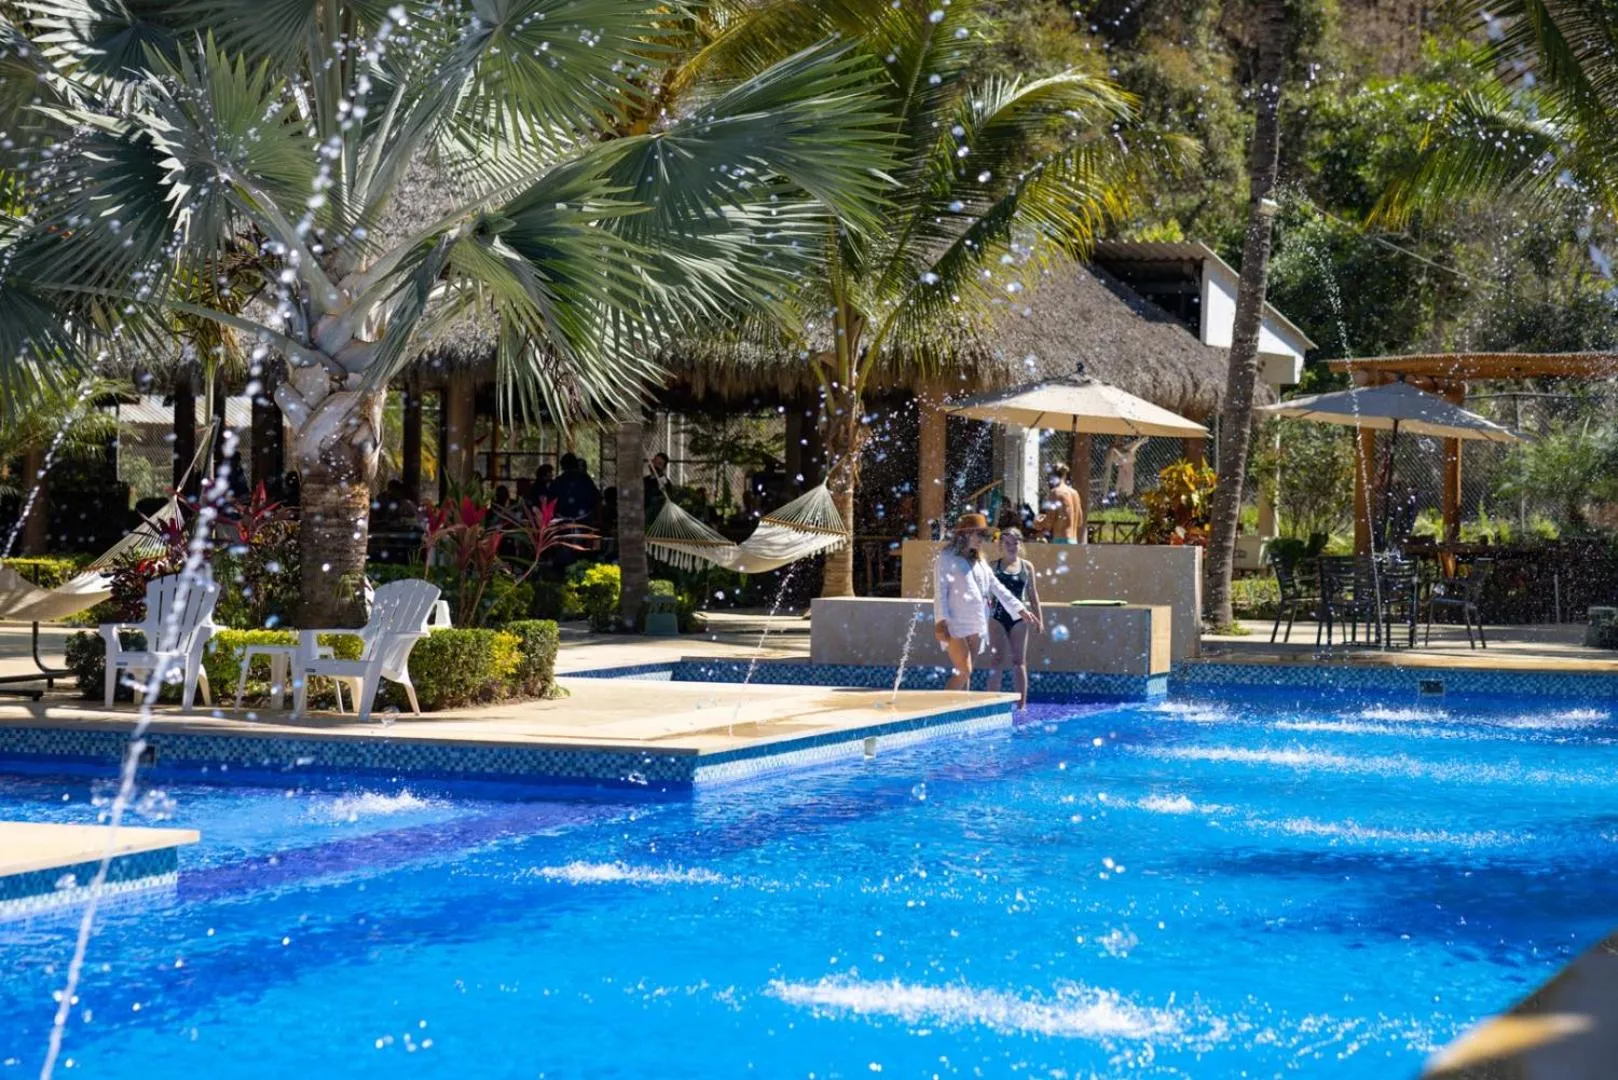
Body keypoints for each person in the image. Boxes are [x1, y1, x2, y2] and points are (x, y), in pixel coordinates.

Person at [934, 513, 1042, 692]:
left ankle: (961, 707)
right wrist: (940, 620)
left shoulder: (979, 561)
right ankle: (943, 707)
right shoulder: (947, 557)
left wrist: (1020, 609)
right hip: (954, 622)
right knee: (964, 670)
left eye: (984, 535)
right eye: (980, 534)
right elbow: (940, 591)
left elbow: (996, 587)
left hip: (976, 622)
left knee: (967, 673)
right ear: (966, 533)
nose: (983, 540)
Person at [984, 528, 1042, 708]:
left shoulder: (1027, 566)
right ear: (1001, 545)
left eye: (1015, 543)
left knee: (1019, 662)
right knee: (996, 660)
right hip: (998, 617)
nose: (1011, 547)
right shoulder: (993, 566)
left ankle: (1021, 705)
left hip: (1019, 618)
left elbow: (1033, 594)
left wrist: (1039, 618)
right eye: (1007, 543)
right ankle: (991, 704)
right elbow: (985, 593)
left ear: (1020, 544)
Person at [1036, 464, 1083, 543]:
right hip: (1073, 540)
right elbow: (1079, 521)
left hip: (1060, 540)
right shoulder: (1075, 493)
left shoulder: (1055, 492)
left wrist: (1038, 522)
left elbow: (1049, 521)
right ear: (1065, 475)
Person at [550, 452, 600, 523]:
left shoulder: (558, 481)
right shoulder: (585, 479)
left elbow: (551, 501)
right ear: (576, 464)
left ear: (562, 466)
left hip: (563, 520)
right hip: (583, 519)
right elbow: (596, 498)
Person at [644, 452, 670, 516]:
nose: (655, 465)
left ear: (664, 467)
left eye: (659, 464)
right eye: (654, 462)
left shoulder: (664, 482)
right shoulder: (645, 480)